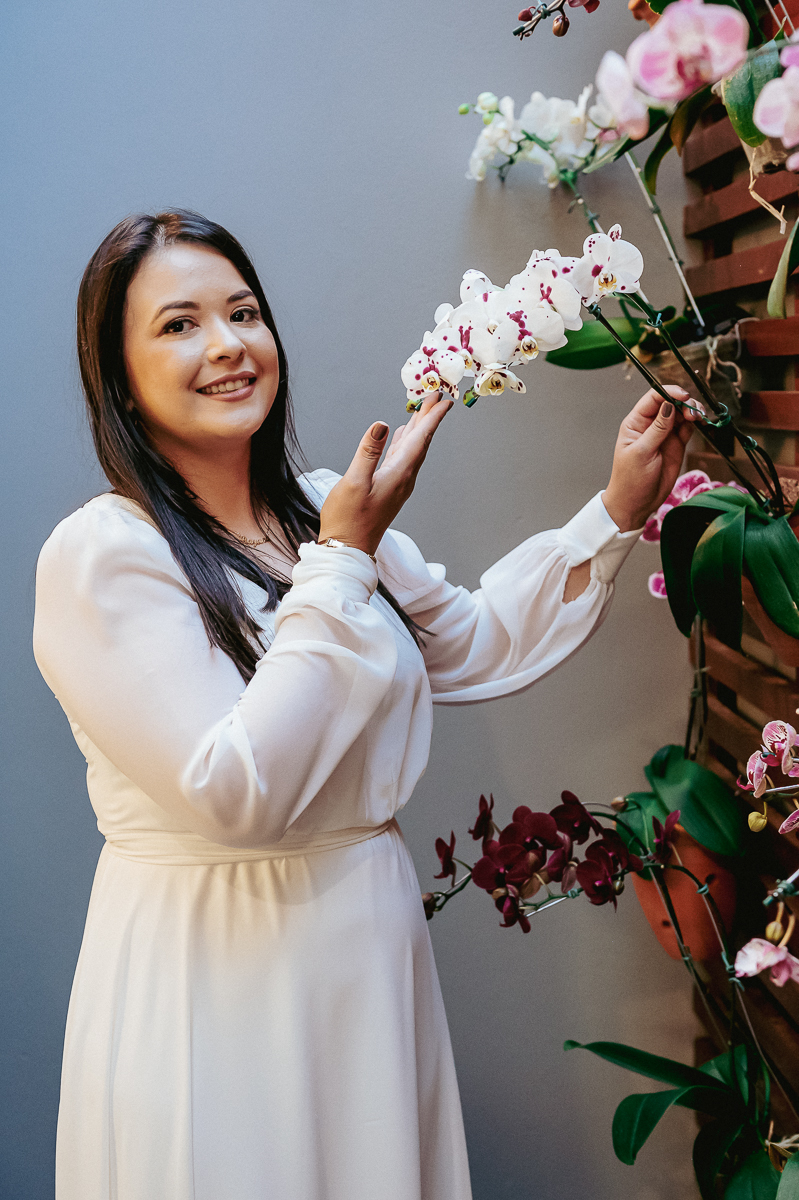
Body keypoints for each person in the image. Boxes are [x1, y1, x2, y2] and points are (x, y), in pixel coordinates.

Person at [33, 210, 699, 1200]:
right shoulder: (105, 554)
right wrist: (340, 561)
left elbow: (469, 645)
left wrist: (612, 510)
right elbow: (234, 792)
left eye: (243, 312)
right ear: (117, 373)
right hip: (214, 962)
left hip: (364, 941)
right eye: (179, 324)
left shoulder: (317, 505)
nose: (227, 346)